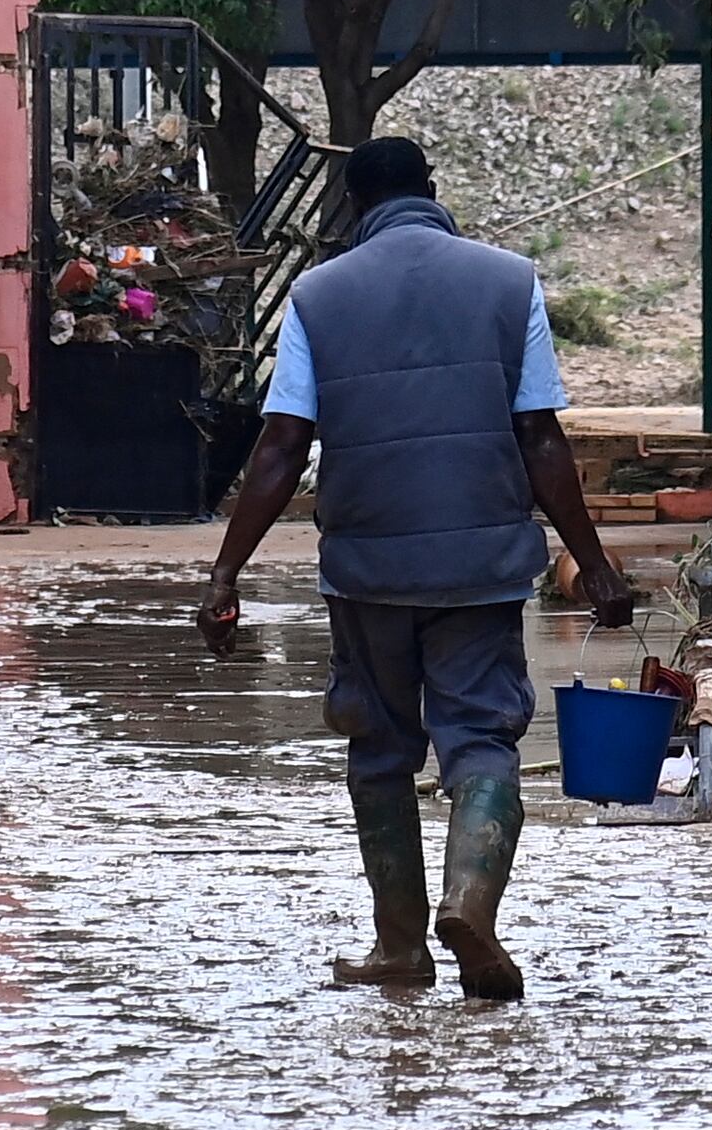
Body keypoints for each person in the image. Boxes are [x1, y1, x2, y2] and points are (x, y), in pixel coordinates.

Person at [196, 135, 635, 1001]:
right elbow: (540, 437)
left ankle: (400, 947)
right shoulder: (510, 282)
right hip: (483, 561)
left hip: (367, 566)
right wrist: (595, 565)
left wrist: (225, 574)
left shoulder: (318, 297)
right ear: (432, 191)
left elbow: (283, 445)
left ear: (354, 207)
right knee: (481, 740)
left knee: (381, 748)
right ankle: (470, 901)